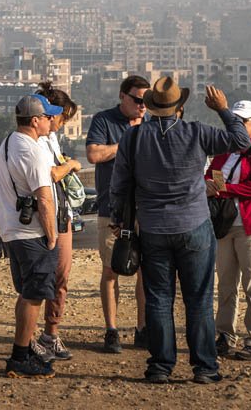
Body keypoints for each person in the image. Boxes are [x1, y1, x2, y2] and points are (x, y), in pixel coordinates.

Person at [110, 79, 251, 385]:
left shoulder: (133, 138)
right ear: (179, 107)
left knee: (159, 299)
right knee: (198, 299)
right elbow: (243, 141)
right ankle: (204, 367)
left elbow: (119, 187)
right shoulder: (197, 132)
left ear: (151, 105)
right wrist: (224, 109)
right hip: (194, 225)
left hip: (153, 229)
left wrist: (120, 221)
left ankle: (161, 365)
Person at [0, 95, 65, 378]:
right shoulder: (32, 151)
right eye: (48, 117)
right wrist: (52, 236)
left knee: (27, 294)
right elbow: (45, 199)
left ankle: (23, 350)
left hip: (14, 230)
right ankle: (19, 356)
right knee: (35, 295)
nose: (52, 121)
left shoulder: (10, 142)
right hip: (32, 233)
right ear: (35, 121)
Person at [206, 100, 251, 361]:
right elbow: (211, 174)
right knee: (226, 283)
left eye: (243, 121)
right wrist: (210, 184)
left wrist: (223, 189)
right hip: (226, 225)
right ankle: (224, 335)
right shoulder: (227, 148)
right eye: (235, 120)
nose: (238, 124)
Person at [86, 75, 150, 353]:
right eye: (137, 100)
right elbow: (94, 155)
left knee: (145, 273)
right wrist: (127, 144)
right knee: (111, 269)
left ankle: (143, 328)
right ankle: (111, 330)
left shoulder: (151, 124)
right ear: (123, 96)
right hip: (112, 209)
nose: (142, 106)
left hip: (147, 209)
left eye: (146, 101)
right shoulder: (104, 120)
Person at [33, 84, 82, 361]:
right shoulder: (33, 140)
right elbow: (50, 173)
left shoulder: (51, 139)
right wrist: (72, 165)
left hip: (62, 214)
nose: (61, 126)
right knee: (39, 280)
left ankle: (51, 333)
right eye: (62, 119)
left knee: (60, 277)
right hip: (41, 217)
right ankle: (29, 337)